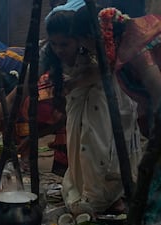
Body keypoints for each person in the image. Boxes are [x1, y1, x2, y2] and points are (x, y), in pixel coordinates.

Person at [45, 8, 142, 217]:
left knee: (102, 148)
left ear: (79, 39)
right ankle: (85, 191)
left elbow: (102, 71)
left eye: (65, 44)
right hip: (79, 108)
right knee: (80, 149)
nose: (59, 49)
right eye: (54, 44)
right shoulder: (55, 58)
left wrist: (75, 82)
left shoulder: (99, 49)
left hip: (103, 103)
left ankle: (107, 196)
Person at [71, 6, 161, 224]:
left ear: (93, 36)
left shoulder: (135, 50)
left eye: (87, 45)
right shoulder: (122, 49)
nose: (88, 51)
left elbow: (158, 92)